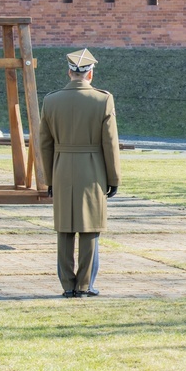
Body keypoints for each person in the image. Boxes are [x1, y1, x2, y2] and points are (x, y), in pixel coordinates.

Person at [39, 49, 121, 298]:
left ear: (69, 72)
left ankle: (67, 284)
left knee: (64, 228)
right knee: (89, 228)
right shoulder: (103, 99)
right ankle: (85, 285)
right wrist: (114, 178)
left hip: (62, 167)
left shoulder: (51, 100)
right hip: (93, 168)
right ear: (90, 74)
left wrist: (49, 179)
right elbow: (110, 142)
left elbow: (44, 144)